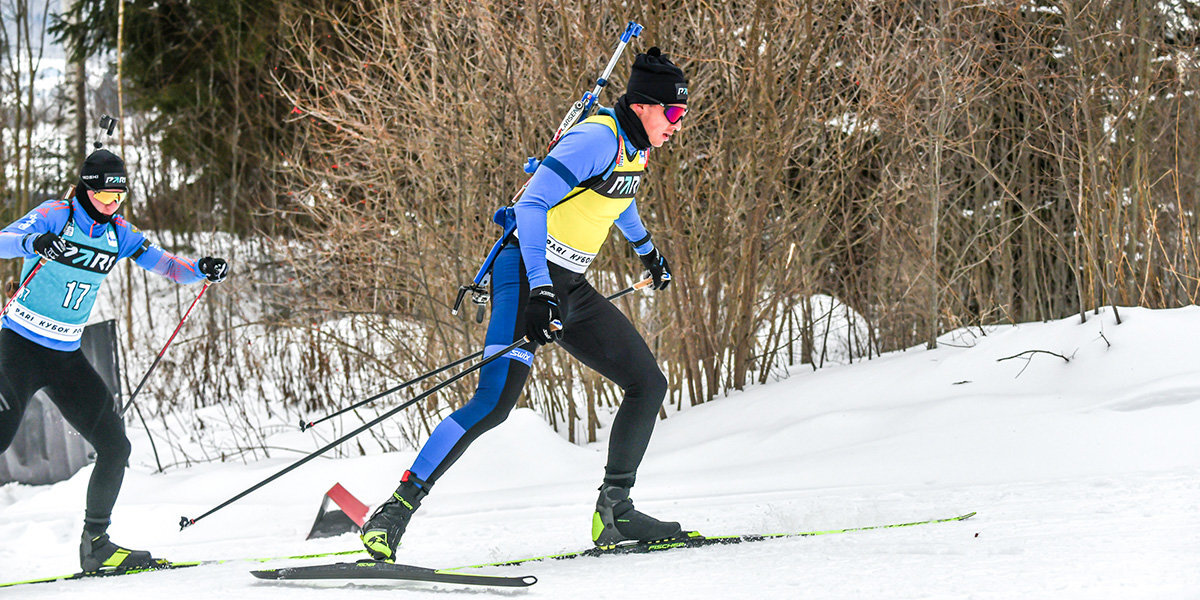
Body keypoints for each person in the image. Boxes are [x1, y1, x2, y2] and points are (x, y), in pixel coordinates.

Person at [361, 47, 690, 560]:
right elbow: (531, 203)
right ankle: (392, 514)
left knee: (647, 384)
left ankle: (615, 514)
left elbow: (618, 198)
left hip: (570, 285)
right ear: (645, 105)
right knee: (493, 404)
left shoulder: (635, 145)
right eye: (673, 113)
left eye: (682, 115)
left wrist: (648, 251)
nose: (677, 124)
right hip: (526, 276)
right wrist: (539, 289)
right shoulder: (595, 138)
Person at [0, 147, 229, 572]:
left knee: (114, 446)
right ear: (86, 191)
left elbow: (169, 266)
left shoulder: (119, 233)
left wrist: (201, 267)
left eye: (118, 198)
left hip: (66, 354)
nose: (111, 205)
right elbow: (2, 242)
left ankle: (96, 544)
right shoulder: (55, 215)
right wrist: (33, 241)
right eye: (104, 198)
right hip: (18, 347)